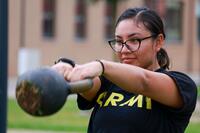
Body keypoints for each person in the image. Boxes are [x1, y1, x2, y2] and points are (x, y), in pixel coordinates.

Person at [52, 7, 197, 133]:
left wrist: (102, 65)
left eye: (134, 40)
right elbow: (84, 79)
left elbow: (144, 82)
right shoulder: (107, 82)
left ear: (158, 42)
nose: (123, 50)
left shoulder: (182, 85)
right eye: (119, 41)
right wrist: (67, 67)